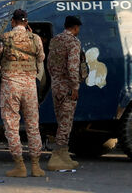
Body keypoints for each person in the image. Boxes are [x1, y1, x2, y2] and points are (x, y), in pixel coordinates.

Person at [0, 8, 46, 178]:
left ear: (13, 22)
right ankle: (36, 166)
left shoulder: (5, 38)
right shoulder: (35, 39)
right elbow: (41, 58)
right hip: (29, 87)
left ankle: (20, 166)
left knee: (12, 125)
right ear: (26, 23)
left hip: (10, 86)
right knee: (33, 126)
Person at [46, 15, 85, 170]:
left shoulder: (55, 40)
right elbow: (73, 67)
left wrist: (55, 79)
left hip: (56, 86)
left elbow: (49, 63)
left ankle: (65, 156)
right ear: (75, 27)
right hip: (67, 87)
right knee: (66, 123)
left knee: (61, 120)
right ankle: (56, 157)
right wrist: (74, 87)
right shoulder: (73, 42)